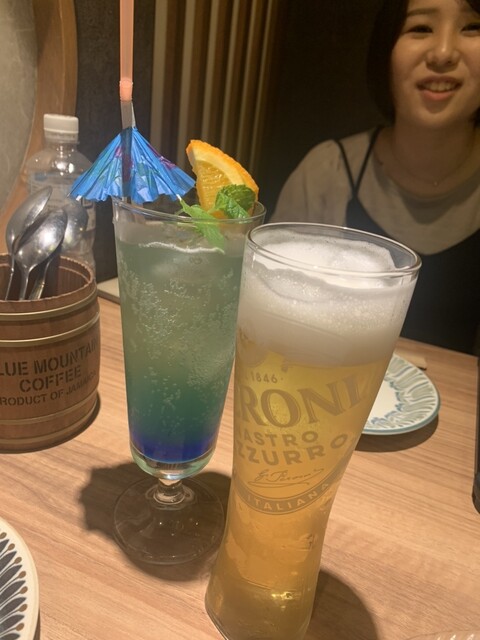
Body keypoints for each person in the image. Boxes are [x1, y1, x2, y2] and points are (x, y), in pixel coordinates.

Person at [271, 0, 480, 355]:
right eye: (420, 28)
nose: (443, 53)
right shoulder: (327, 173)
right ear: (386, 53)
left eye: (472, 27)